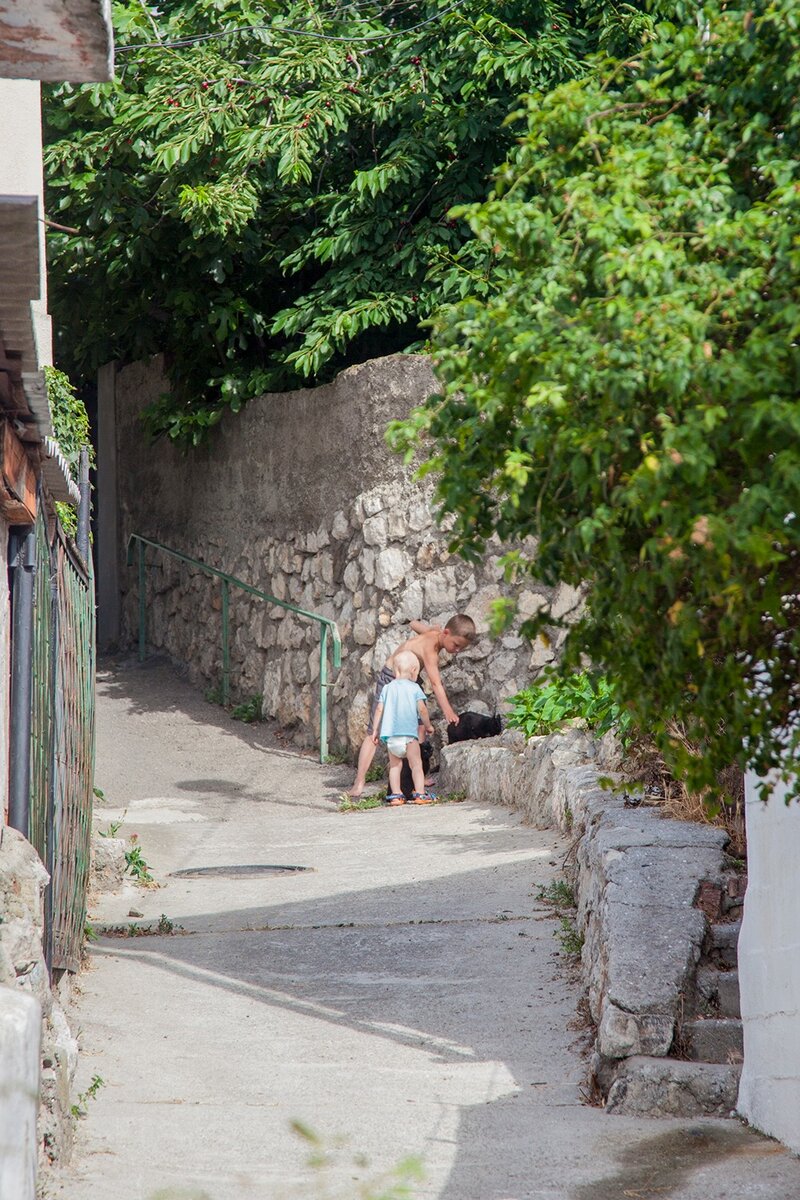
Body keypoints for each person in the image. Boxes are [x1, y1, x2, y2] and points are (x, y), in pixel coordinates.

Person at [346, 613, 476, 797]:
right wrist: (448, 711)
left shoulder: (436, 634)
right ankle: (359, 782)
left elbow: (413, 623)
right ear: (446, 632)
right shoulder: (431, 649)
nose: (456, 651)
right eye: (456, 645)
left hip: (411, 679)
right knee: (373, 731)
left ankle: (418, 776)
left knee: (419, 729)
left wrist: (428, 628)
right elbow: (436, 683)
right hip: (392, 678)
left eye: (460, 648)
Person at [371, 650, 435, 805]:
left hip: (391, 737)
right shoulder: (414, 688)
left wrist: (375, 730)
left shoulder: (387, 688)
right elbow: (422, 709)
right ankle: (420, 793)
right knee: (416, 765)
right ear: (414, 671)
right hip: (409, 737)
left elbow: (379, 709)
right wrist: (428, 725)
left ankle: (396, 795)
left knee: (394, 766)